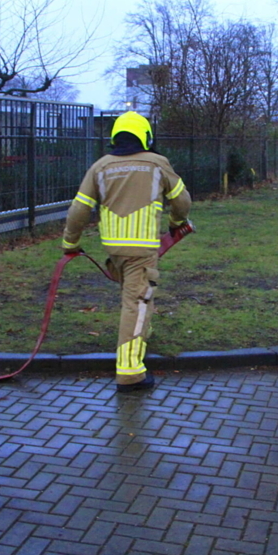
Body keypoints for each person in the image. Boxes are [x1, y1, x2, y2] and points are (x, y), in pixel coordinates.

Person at [61, 111, 192, 393]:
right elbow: (182, 201)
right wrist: (176, 223)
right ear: (145, 137)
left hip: (114, 251)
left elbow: (79, 210)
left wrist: (70, 243)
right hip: (141, 251)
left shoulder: (100, 167)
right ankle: (130, 372)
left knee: (138, 296)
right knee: (137, 303)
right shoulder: (157, 163)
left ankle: (142, 333)